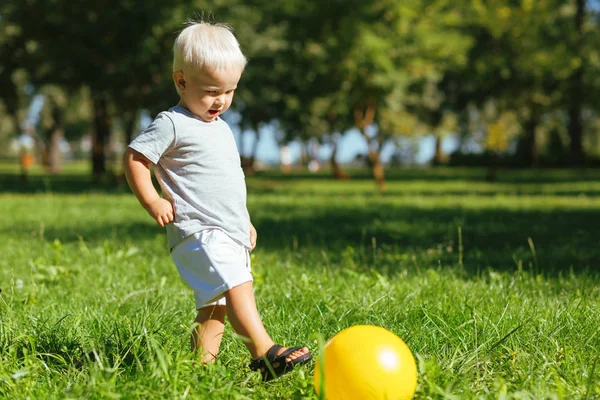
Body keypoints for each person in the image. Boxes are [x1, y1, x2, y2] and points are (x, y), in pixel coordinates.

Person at [123, 20, 312, 381]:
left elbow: (225, 183)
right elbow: (135, 158)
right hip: (198, 230)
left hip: (226, 230)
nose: (221, 101)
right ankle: (265, 352)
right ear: (181, 81)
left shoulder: (221, 126)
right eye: (212, 91)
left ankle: (198, 372)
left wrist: (245, 222)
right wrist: (153, 200)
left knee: (215, 306)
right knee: (238, 285)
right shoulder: (172, 123)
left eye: (229, 91)